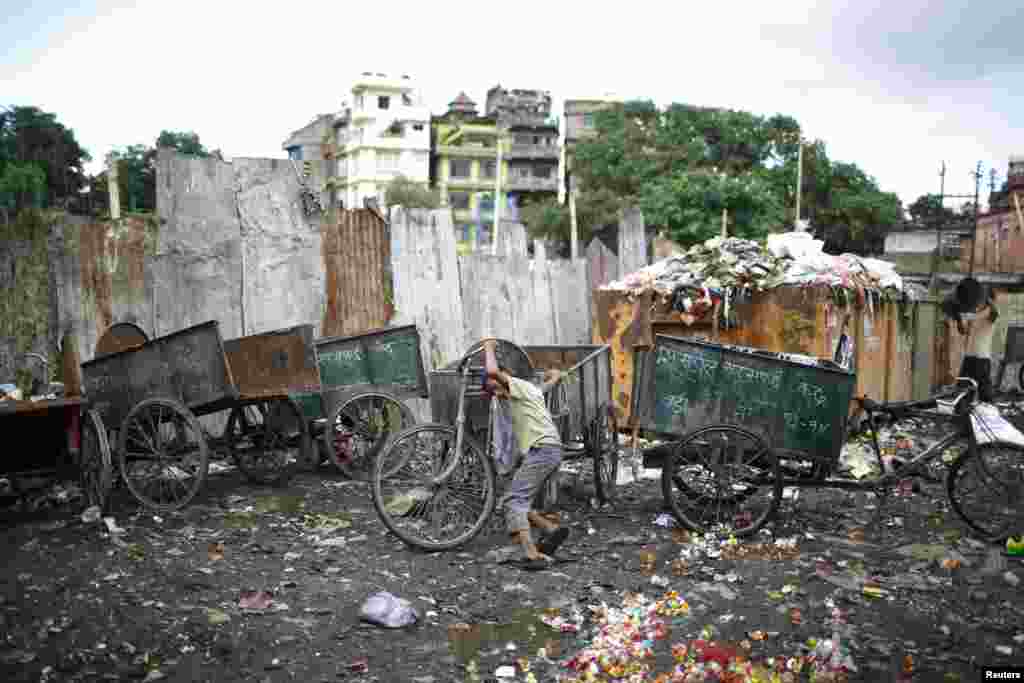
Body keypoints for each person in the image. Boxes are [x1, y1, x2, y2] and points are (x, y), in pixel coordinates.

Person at [481, 338, 569, 567]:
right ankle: (551, 529)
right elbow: (548, 386)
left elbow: (491, 370)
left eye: (496, 388)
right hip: (550, 450)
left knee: (515, 501)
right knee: (513, 498)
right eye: (493, 393)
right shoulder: (531, 390)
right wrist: (555, 377)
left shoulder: (516, 386)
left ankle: (532, 554)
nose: (497, 395)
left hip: (543, 450)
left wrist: (488, 347)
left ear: (506, 377)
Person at [946, 283, 999, 403]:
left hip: (982, 359)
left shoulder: (990, 312)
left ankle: (989, 416)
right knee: (963, 389)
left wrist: (989, 300)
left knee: (985, 393)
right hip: (969, 357)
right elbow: (963, 331)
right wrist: (958, 320)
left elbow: (995, 313)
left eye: (981, 295)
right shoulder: (975, 314)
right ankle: (964, 414)